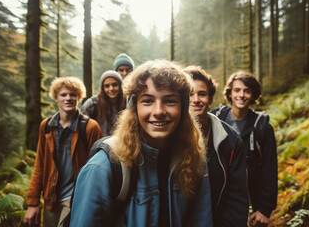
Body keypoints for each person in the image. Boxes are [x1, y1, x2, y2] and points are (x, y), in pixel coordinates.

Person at [69, 60, 213, 227]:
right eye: (147, 101)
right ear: (134, 108)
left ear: (183, 108)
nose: (158, 111)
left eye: (170, 101)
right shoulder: (103, 168)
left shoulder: (192, 159)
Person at [23, 77, 103, 227]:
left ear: (79, 97)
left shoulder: (90, 127)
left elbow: (99, 169)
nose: (68, 98)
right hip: (51, 198)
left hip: (76, 198)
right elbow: (40, 165)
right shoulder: (46, 126)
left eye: (73, 94)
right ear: (56, 98)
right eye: (63, 95)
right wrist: (33, 203)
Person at [210, 71, 278, 227]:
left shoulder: (262, 128)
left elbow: (270, 169)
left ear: (253, 95)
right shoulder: (216, 118)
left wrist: (264, 209)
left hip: (249, 197)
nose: (241, 95)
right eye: (237, 90)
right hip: (217, 193)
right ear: (230, 93)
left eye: (247, 91)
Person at [184, 66, 248, 226]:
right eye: (190, 94)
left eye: (202, 94)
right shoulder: (166, 136)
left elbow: (237, 196)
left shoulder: (231, 140)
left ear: (211, 98)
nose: (196, 99)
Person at [81, 70, 125, 136]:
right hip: (98, 144)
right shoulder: (92, 104)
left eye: (114, 85)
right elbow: (82, 126)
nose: (111, 88)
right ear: (102, 88)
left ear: (120, 85)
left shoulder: (128, 103)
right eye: (107, 86)